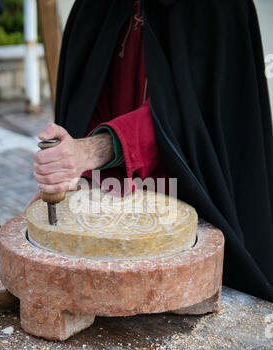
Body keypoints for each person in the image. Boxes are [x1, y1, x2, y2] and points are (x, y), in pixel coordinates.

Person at [30, 0, 273, 302]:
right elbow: (85, 100)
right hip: (110, 209)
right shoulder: (95, 6)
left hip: (190, 207)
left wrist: (93, 150)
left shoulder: (219, 9)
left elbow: (191, 118)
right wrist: (72, 166)